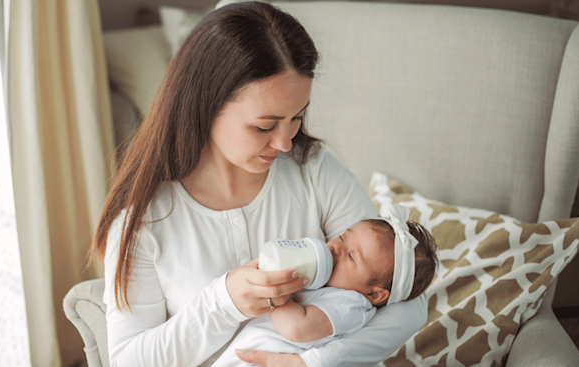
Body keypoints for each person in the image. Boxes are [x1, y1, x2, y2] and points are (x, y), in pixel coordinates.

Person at [90, 2, 428, 367]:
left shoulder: (311, 170)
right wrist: (224, 302)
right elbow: (127, 361)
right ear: (207, 103)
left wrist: (311, 364)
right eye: (264, 126)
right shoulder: (145, 219)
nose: (285, 143)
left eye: (296, 117)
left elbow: (407, 302)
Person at [213, 204, 438, 367]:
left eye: (351, 256)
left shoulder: (352, 304)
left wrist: (280, 291)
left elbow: (297, 328)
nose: (335, 247)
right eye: (342, 237)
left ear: (375, 294)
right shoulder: (327, 281)